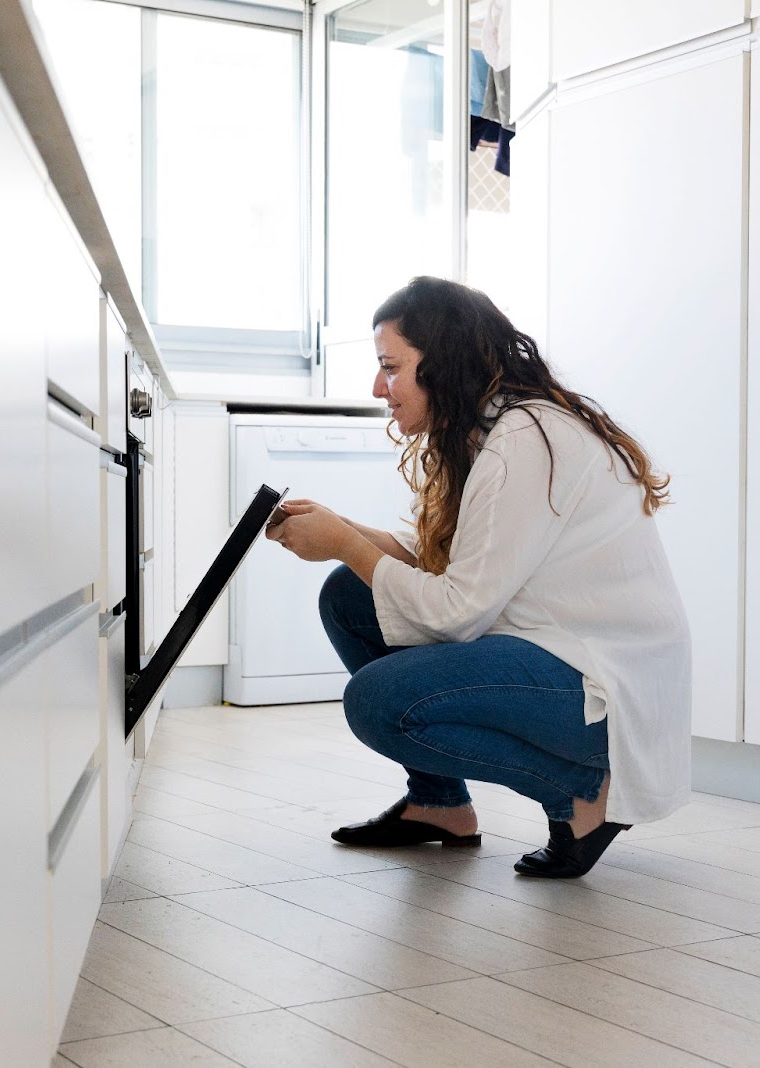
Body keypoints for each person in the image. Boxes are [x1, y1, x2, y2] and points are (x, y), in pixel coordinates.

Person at [265, 276, 691, 878]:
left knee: (380, 702)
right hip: (550, 651)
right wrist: (341, 533)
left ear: (443, 363)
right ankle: (439, 805)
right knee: (348, 593)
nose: (377, 387)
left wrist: (341, 543)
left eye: (391, 367)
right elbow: (447, 563)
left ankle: (581, 793)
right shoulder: (489, 431)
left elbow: (455, 610)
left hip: (598, 685)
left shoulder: (525, 439)